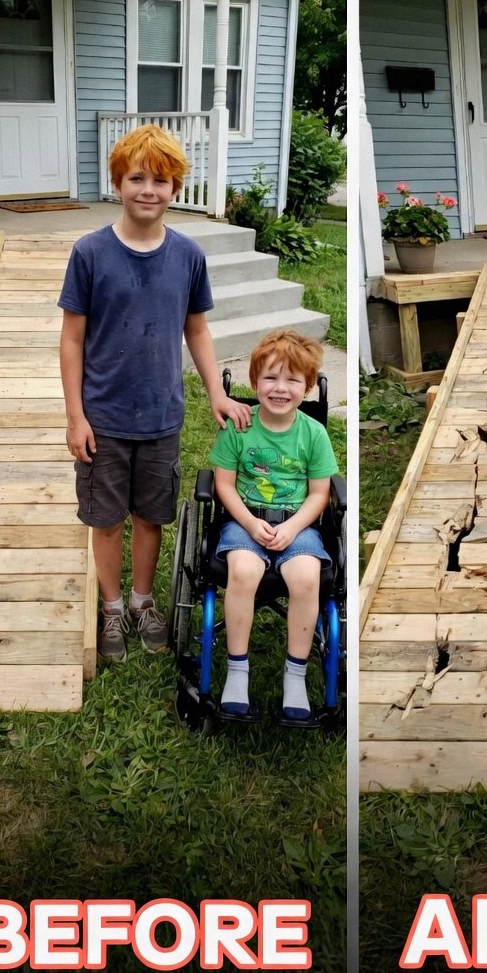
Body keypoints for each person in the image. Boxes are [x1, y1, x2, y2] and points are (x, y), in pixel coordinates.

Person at [58, 123, 250, 662]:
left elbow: (197, 329)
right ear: (118, 182)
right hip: (104, 417)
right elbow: (71, 339)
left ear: (176, 188)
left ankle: (143, 600)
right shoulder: (91, 253)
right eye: (137, 177)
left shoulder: (188, 255)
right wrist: (76, 416)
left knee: (151, 517)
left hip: (162, 417)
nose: (149, 189)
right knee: (106, 518)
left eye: (161, 180)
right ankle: (112, 606)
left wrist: (216, 391)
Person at [210, 330, 338, 720]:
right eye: (270, 378)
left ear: (308, 386)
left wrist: (295, 527)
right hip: (244, 522)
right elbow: (223, 484)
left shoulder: (313, 434)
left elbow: (319, 493)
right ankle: (237, 669)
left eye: (292, 380)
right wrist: (249, 523)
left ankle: (295, 674)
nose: (280, 389)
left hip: (297, 527)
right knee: (244, 571)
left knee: (306, 578)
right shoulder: (239, 427)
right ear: (254, 383)